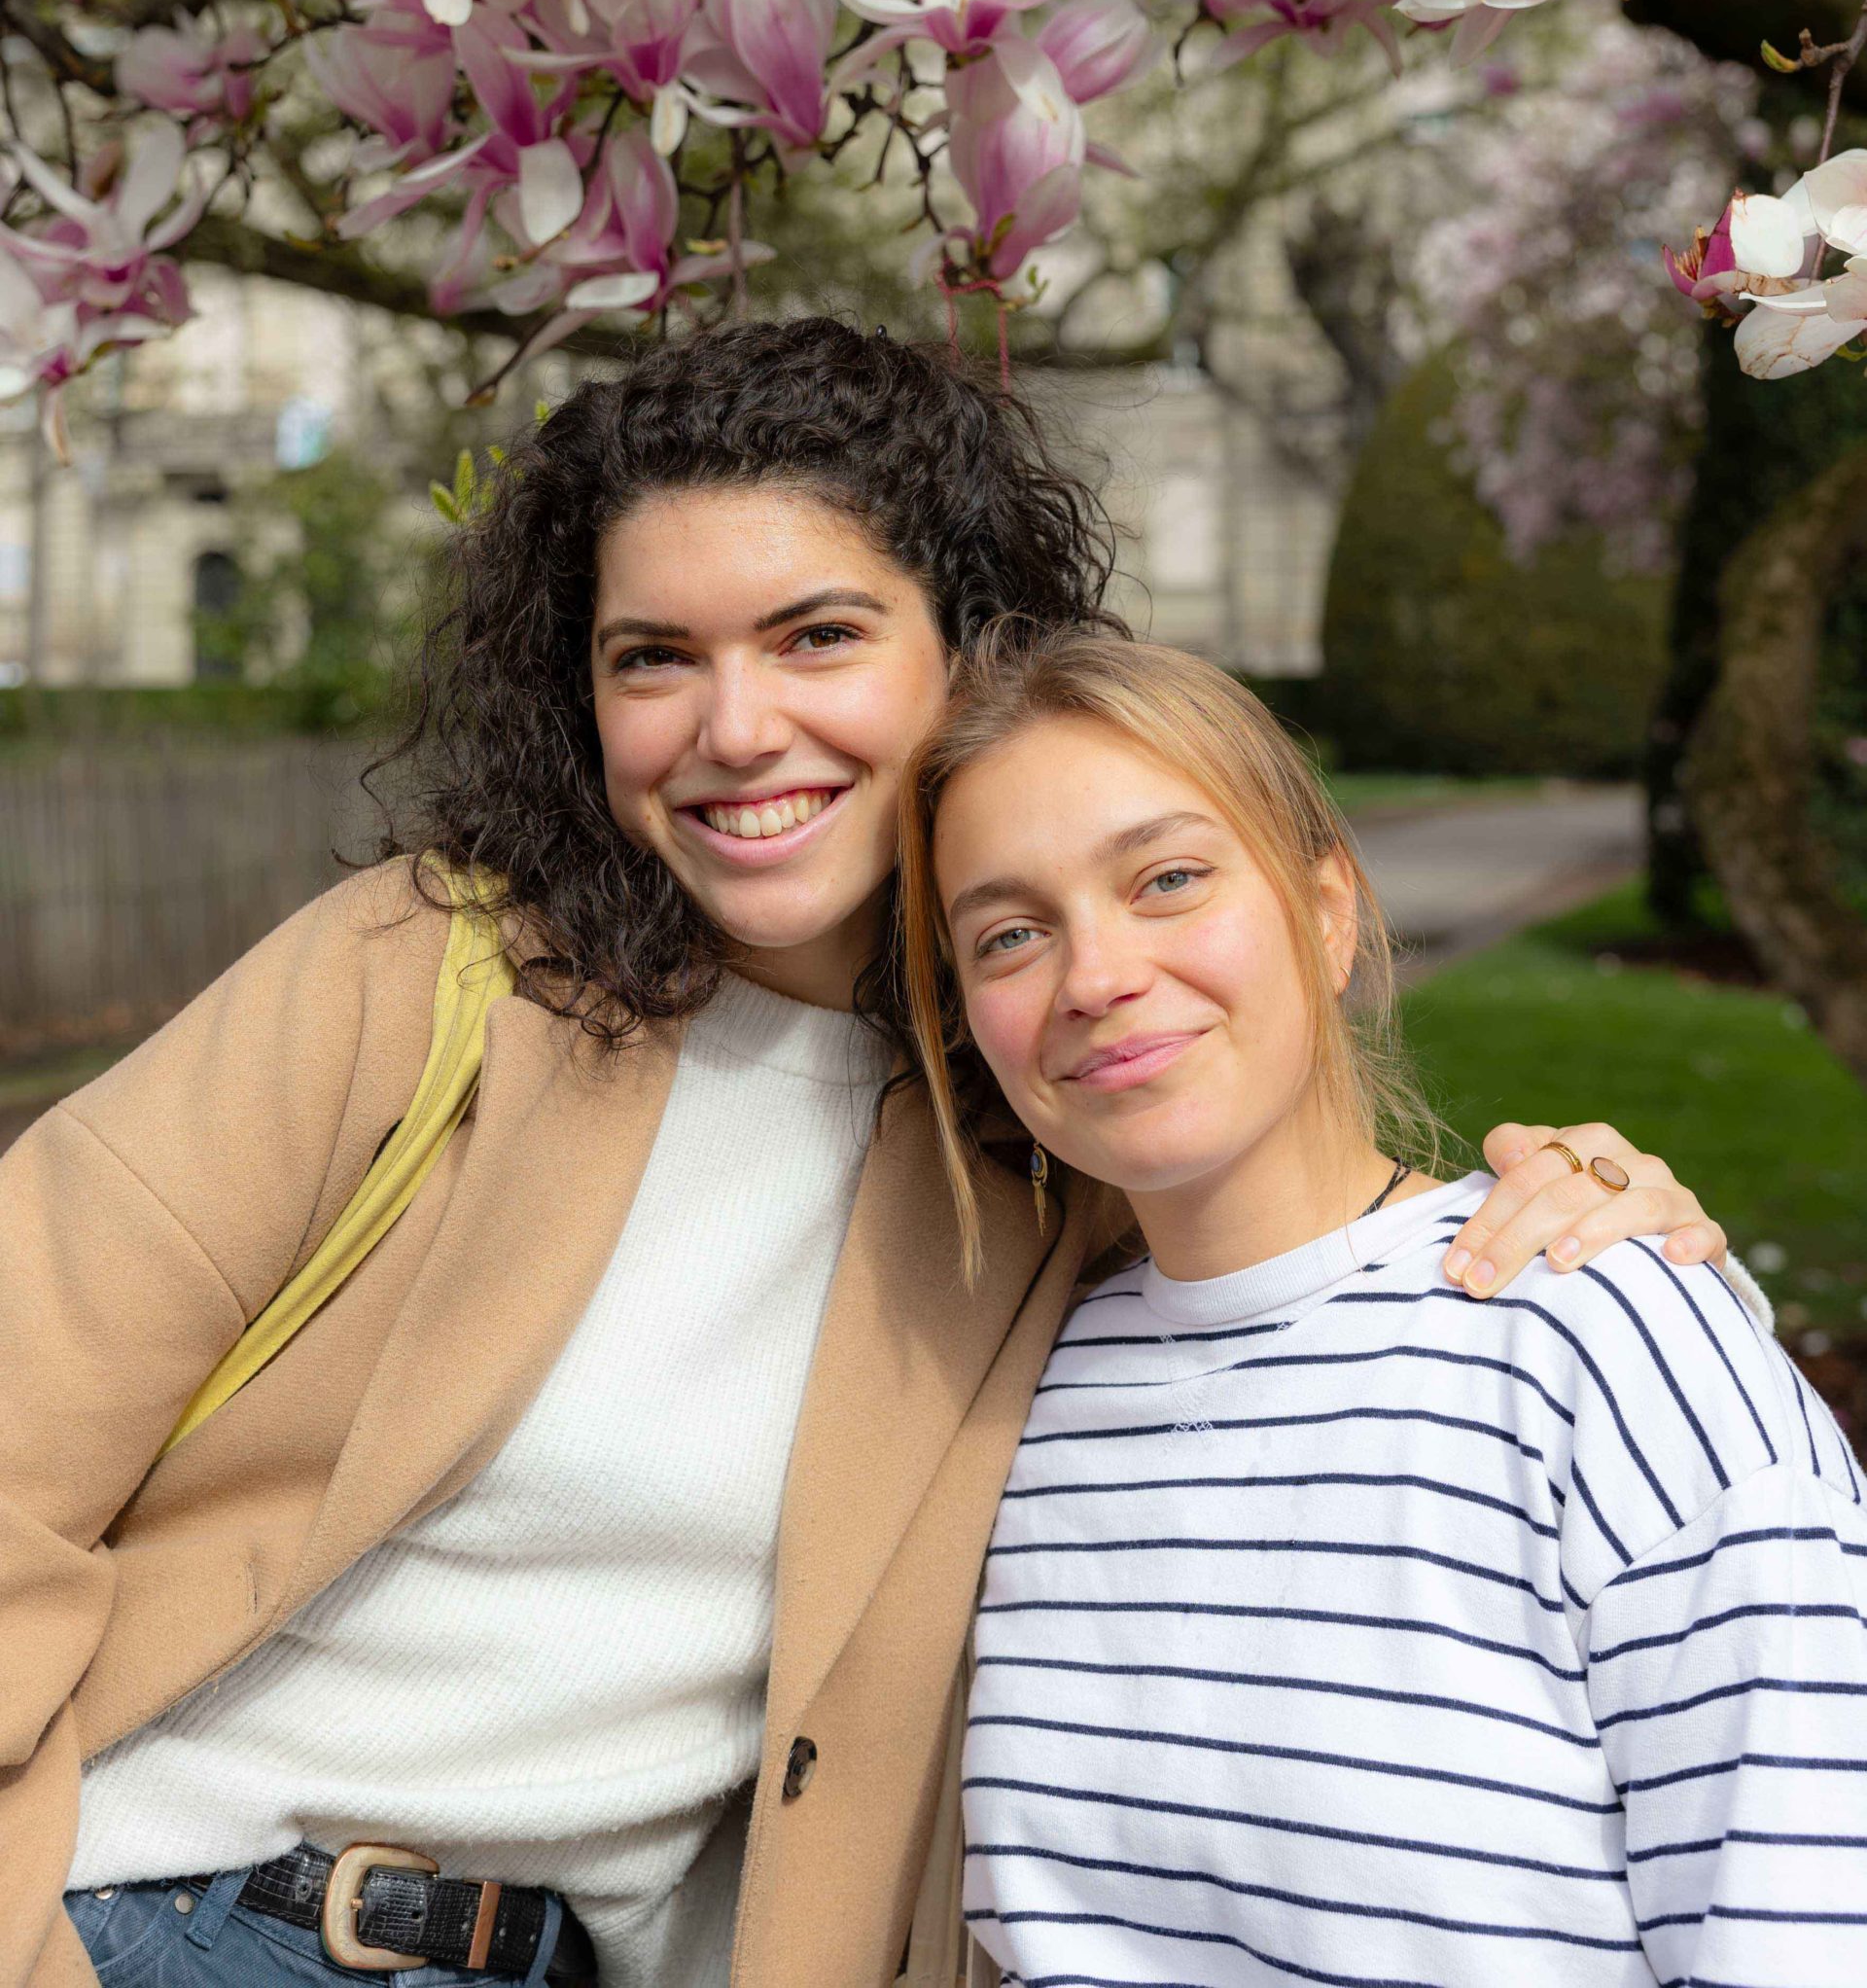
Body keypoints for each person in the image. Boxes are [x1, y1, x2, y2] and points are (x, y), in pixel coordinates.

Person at [3, 319, 1736, 1988]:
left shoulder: (1056, 1129)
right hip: (158, 1915)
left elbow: (1293, 1248)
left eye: (818, 635)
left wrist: (1583, 1203)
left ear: (964, 653)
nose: (735, 727)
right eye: (653, 658)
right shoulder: (428, 975)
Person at [896, 627, 1866, 1988]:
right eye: (1009, 933)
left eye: (1169, 878)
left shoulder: (1597, 1330)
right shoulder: (1011, 1401)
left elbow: (1805, 1931)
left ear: (1330, 910)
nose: (1097, 975)